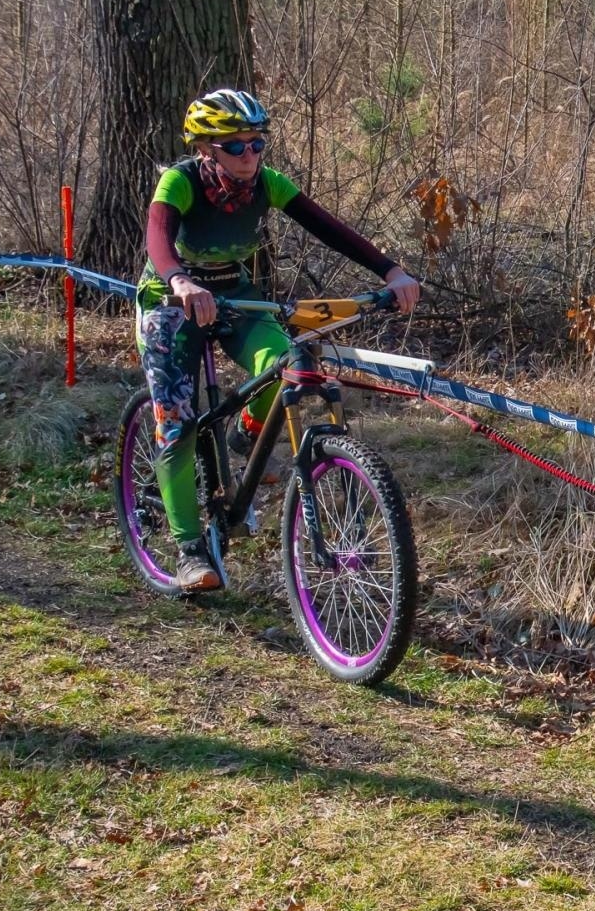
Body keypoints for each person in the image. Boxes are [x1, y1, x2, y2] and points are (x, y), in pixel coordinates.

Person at [135, 88, 420, 592]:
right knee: (176, 421)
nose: (250, 156)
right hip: (170, 300)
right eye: (235, 146)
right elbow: (158, 235)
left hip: (237, 296)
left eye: (257, 143)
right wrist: (179, 280)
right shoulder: (180, 182)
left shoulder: (267, 183)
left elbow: (329, 227)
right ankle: (188, 550)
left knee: (283, 362)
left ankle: (246, 432)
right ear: (205, 148)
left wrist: (391, 270)